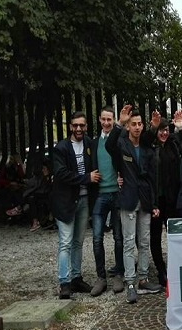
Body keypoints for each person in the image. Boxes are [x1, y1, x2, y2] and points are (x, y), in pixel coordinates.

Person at [106, 105, 161, 304]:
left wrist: (154, 203)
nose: (137, 127)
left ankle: (143, 279)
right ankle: (130, 282)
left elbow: (152, 177)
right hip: (128, 199)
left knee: (144, 241)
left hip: (145, 199)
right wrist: (119, 123)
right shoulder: (121, 144)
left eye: (139, 124)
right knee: (129, 241)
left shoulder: (146, 148)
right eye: (133, 124)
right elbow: (109, 145)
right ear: (128, 126)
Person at [51, 111, 100, 299]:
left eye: (82, 125)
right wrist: (86, 178)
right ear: (70, 127)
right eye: (75, 125)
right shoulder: (61, 148)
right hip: (65, 202)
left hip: (84, 199)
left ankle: (76, 278)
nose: (79, 128)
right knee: (65, 242)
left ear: (86, 126)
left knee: (78, 242)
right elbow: (61, 174)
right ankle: (64, 282)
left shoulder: (89, 143)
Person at [148, 110, 182, 286]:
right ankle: (160, 270)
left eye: (166, 129)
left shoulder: (173, 143)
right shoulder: (149, 146)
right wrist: (153, 128)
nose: (164, 133)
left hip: (172, 198)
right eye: (161, 130)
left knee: (173, 235)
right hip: (156, 199)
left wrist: (181, 128)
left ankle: (175, 267)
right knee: (155, 236)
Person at [89, 106, 125, 296]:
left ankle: (119, 273)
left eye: (109, 119)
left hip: (116, 193)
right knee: (96, 238)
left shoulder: (119, 140)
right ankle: (101, 277)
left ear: (113, 120)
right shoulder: (93, 143)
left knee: (118, 238)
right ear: (100, 120)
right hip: (100, 195)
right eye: (103, 119)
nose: (106, 123)